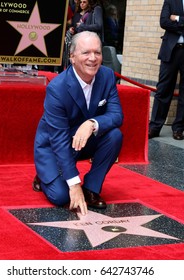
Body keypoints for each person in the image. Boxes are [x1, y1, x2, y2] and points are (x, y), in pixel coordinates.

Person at [33, 31, 123, 215]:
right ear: (72, 57)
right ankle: (44, 175)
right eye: (86, 53)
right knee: (61, 197)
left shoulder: (106, 76)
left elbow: (116, 115)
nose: (93, 58)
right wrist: (74, 186)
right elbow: (58, 140)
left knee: (114, 135)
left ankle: (91, 188)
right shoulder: (57, 89)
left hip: (83, 141)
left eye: (97, 52)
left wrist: (91, 123)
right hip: (54, 146)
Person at [149, 0, 184, 140]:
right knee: (163, 89)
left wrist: (177, 19)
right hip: (170, 51)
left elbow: (170, 22)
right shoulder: (170, 0)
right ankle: (155, 127)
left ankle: (179, 128)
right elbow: (163, 21)